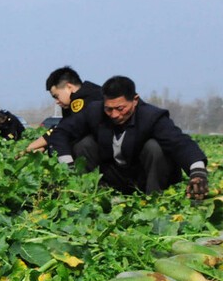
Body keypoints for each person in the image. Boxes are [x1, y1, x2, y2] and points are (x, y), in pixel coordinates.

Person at [48, 75, 209, 201]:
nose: (115, 115)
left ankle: (154, 199)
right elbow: (61, 132)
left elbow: (180, 143)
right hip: (114, 175)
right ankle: (94, 195)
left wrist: (198, 171)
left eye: (120, 108)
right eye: (109, 109)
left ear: (135, 101)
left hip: (142, 175)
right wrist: (67, 165)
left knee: (154, 147)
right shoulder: (95, 111)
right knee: (84, 145)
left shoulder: (151, 116)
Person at [25, 66, 104, 154]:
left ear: (69, 87)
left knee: (80, 145)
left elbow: (65, 130)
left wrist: (27, 149)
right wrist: (42, 147)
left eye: (56, 96)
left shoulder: (85, 99)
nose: (57, 102)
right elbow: (62, 127)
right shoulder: (78, 97)